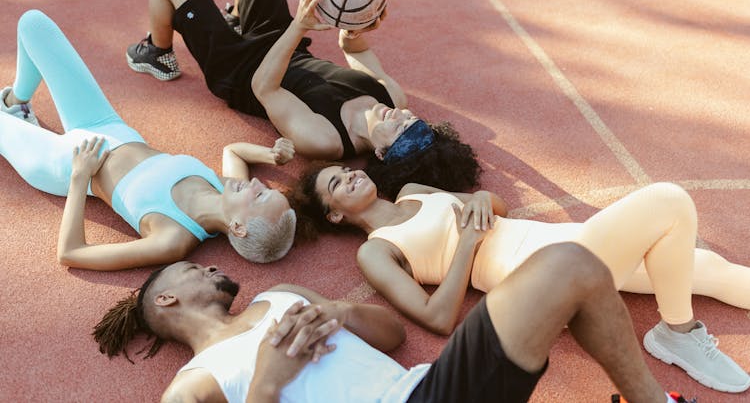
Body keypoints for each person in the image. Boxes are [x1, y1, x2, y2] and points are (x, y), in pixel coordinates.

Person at [290, 163, 750, 393]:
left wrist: (478, 199)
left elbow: (496, 208)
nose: (349, 177)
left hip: (567, 237)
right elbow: (436, 318)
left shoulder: (413, 191)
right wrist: (467, 245)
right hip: (541, 277)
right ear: (333, 215)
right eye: (336, 184)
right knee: (668, 201)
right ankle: (678, 330)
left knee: (712, 271)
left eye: (347, 170)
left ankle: (675, 331)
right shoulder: (376, 250)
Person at [124, 0, 481, 197]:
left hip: (238, 70)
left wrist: (300, 26)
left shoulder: (324, 140)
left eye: (401, 129)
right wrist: (360, 23)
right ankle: (237, 19)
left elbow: (264, 87)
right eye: (413, 121)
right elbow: (353, 48)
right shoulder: (391, 97)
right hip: (282, 42)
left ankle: (158, 53)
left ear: (383, 153)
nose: (403, 116)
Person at [94, 246, 695, 403]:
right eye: (194, 268)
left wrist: (343, 311)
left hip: (429, 390)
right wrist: (269, 384)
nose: (211, 264)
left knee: (570, 266)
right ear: (167, 300)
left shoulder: (278, 296)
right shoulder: (192, 385)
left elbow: (395, 338)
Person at [0, 10, 296, 271]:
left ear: (238, 228)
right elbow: (234, 152)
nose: (259, 184)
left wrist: (79, 177)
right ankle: (16, 103)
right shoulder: (224, 187)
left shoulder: (174, 240)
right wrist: (271, 154)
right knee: (33, 24)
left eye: (259, 196)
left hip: (65, 162)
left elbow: (72, 253)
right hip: (106, 125)